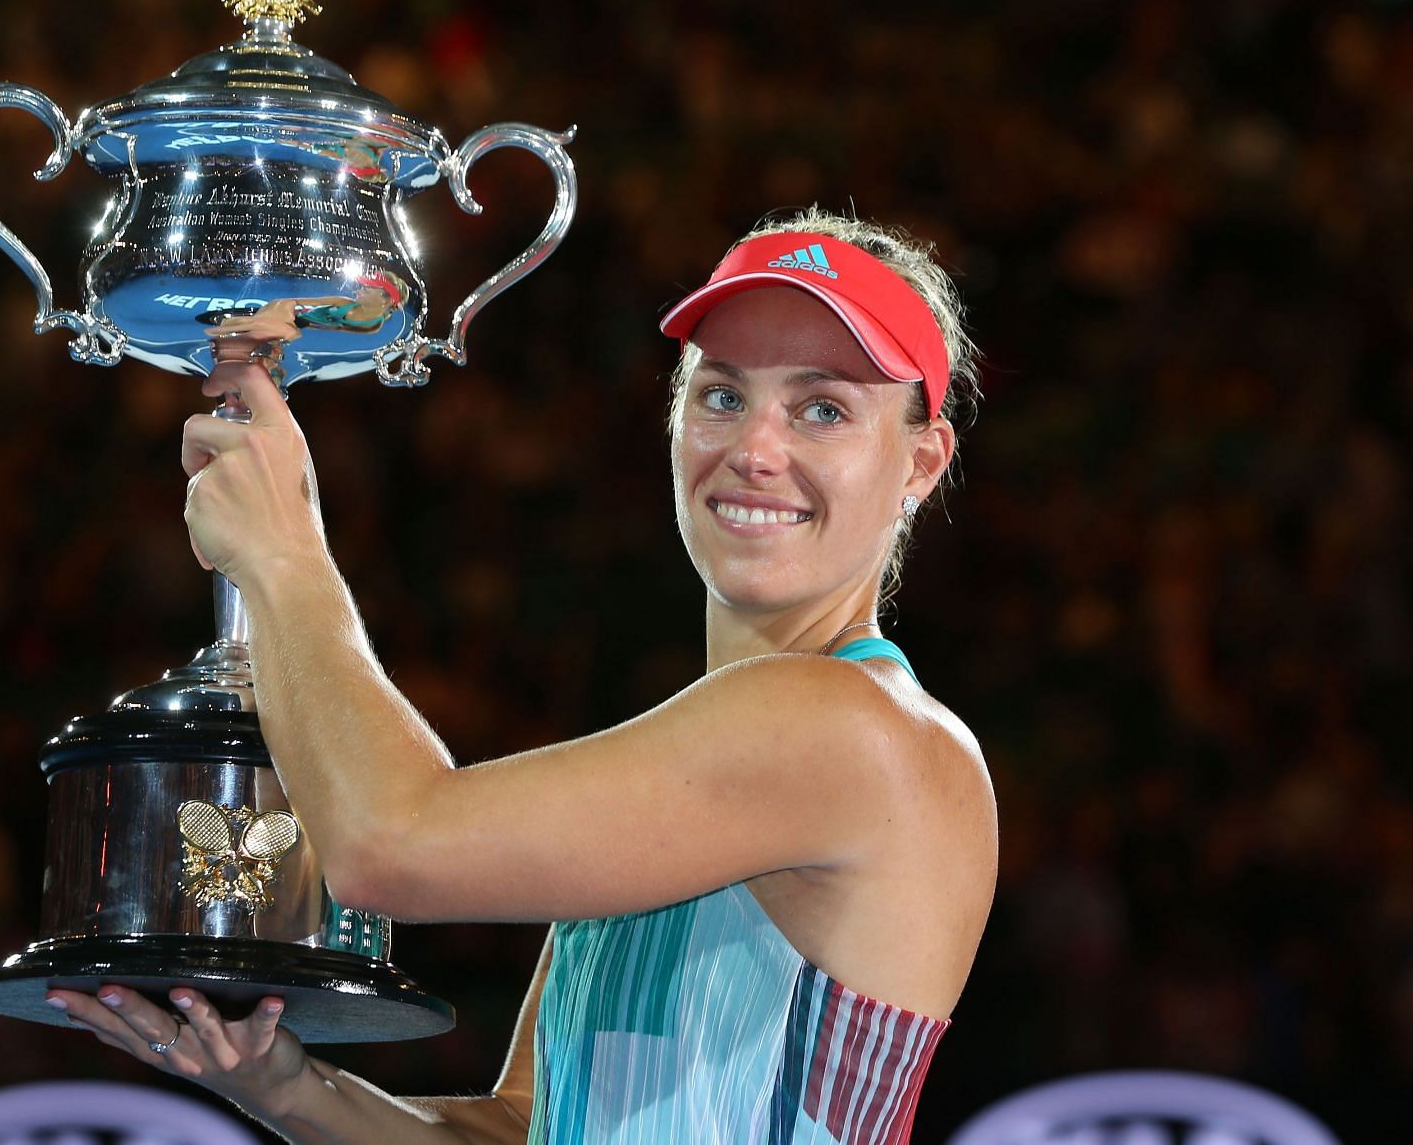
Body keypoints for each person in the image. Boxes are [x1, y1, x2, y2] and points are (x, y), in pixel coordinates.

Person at [49, 208, 999, 1144]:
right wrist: (285, 1084)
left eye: (821, 408)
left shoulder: (849, 726)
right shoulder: (700, 760)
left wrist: (286, 554)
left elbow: (389, 842)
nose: (755, 448)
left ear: (921, 462)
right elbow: (519, 1131)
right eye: (721, 395)